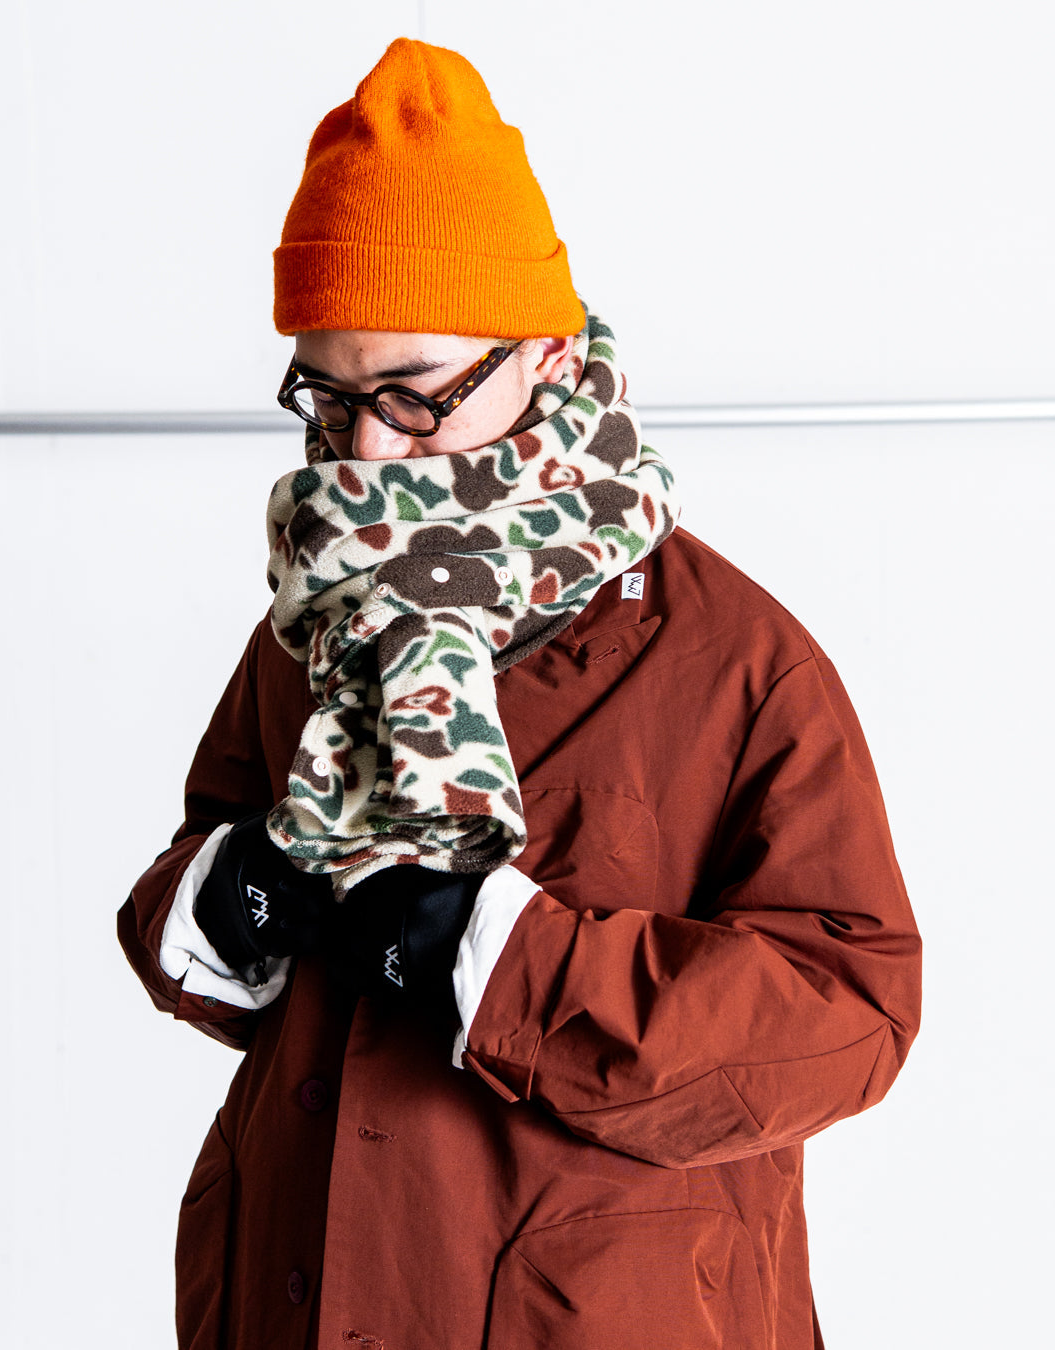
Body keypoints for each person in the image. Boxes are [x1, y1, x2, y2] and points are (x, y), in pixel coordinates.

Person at [119, 36, 921, 1350]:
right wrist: (230, 892)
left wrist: (505, 962)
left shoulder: (737, 659)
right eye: (328, 397)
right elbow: (200, 875)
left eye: (413, 396)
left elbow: (854, 1016)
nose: (365, 452)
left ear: (543, 355)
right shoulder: (313, 622)